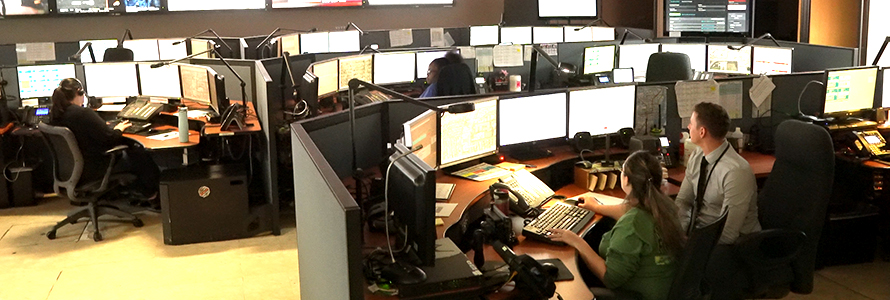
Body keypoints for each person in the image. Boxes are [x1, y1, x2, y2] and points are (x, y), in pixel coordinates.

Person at [550, 151, 685, 300]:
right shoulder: (666, 208)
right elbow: (631, 211)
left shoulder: (631, 225)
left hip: (638, 295)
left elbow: (611, 278)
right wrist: (597, 207)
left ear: (626, 180)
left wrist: (577, 241)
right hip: (664, 289)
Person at [676, 102, 761, 300]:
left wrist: (693, 248)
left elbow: (730, 233)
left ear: (702, 131)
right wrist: (680, 233)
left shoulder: (735, 171)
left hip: (733, 245)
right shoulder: (698, 156)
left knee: (689, 271)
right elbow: (683, 201)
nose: (688, 127)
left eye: (691, 123)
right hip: (700, 234)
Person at [50, 78, 160, 205]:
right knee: (138, 153)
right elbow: (110, 138)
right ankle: (152, 195)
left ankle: (138, 193)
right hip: (95, 168)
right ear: (79, 93)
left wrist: (102, 126)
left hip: (72, 170)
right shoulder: (82, 113)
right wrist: (118, 129)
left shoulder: (56, 113)